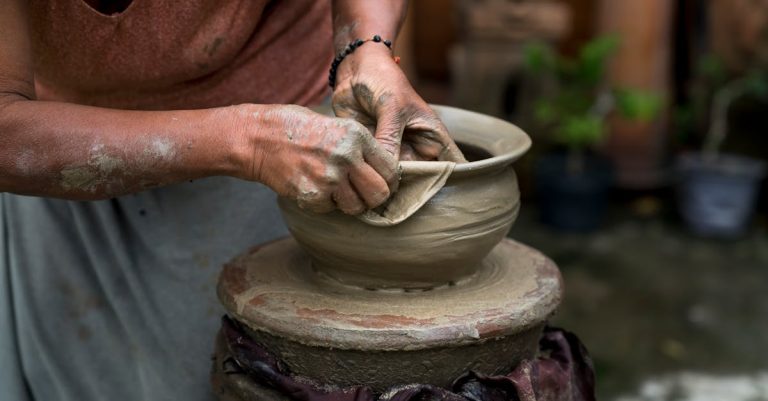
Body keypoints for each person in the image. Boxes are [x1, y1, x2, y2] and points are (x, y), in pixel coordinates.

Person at [0, 1, 464, 400]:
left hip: (287, 127)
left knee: (224, 372)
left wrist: (367, 47)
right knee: (79, 372)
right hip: (63, 147)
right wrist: (249, 140)